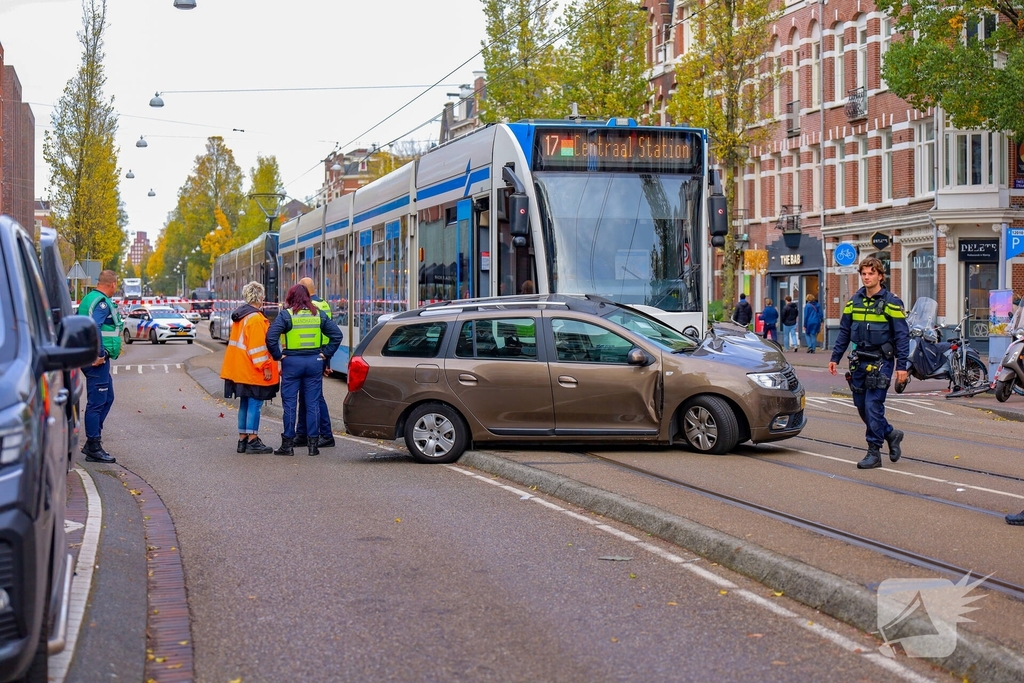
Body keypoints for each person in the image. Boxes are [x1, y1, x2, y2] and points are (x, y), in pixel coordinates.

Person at [829, 257, 910, 469]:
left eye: (871, 273)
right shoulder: (853, 302)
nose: (867, 277)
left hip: (882, 361)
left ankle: (874, 452)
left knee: (873, 405)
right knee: (861, 407)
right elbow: (845, 331)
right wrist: (835, 357)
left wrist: (902, 367)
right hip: (859, 360)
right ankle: (891, 434)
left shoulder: (892, 302)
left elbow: (902, 336)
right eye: (864, 274)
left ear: (880, 276)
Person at [267, 284, 342, 457]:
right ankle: (313, 446)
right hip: (314, 362)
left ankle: (287, 445)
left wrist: (278, 356)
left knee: (290, 404)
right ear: (308, 297)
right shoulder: (318, 315)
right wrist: (325, 354)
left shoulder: (286, 315)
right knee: (313, 403)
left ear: (291, 298)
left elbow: (271, 337)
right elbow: (337, 335)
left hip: (292, 363)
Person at [220, 282, 280, 454]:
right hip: (252, 370)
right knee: (255, 404)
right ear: (260, 297)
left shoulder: (242, 316)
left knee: (245, 404)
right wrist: (266, 367)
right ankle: (252, 439)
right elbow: (257, 348)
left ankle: (242, 440)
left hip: (240, 369)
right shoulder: (255, 319)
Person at [77, 270, 123, 463]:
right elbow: (94, 326)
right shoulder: (102, 302)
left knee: (107, 397)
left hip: (91, 355)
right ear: (112, 284)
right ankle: (93, 445)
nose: (116, 288)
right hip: (96, 359)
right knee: (97, 402)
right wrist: (99, 353)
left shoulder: (89, 298)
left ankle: (93, 439)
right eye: (116, 285)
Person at [293, 277, 335, 449]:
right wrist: (327, 358)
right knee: (307, 396)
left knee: (315, 397)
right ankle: (303, 433)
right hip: (322, 353)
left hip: (312, 354)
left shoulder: (309, 307)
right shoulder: (324, 304)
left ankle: (325, 434)